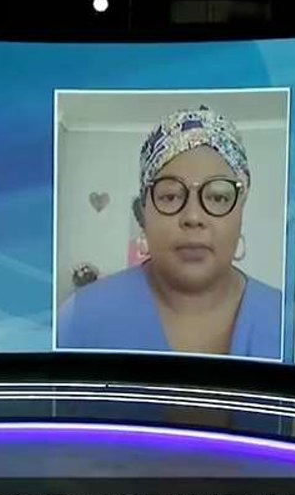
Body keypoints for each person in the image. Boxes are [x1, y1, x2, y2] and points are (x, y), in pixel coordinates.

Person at [58, 106, 283, 359]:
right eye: (170, 196)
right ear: (145, 210)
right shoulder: (79, 317)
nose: (193, 217)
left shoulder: (291, 320)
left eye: (218, 197)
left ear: (240, 208)